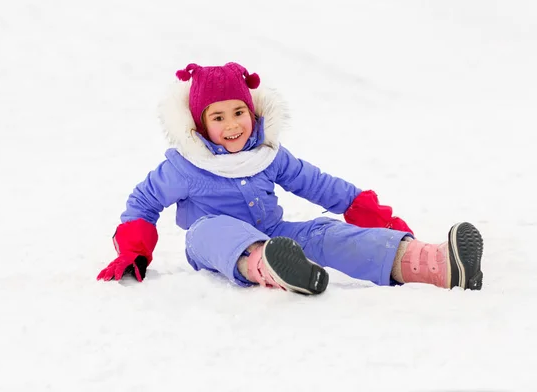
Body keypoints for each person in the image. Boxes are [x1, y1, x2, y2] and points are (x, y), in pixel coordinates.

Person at [97, 62, 484, 294]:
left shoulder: (268, 154)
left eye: (239, 112)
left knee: (324, 233)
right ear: (200, 124)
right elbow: (144, 203)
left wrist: (369, 214)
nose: (232, 125)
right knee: (210, 228)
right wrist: (134, 250)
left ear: (252, 113)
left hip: (277, 234)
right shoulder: (185, 165)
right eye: (218, 117)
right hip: (211, 245)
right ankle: (267, 266)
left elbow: (316, 184)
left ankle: (431, 263)